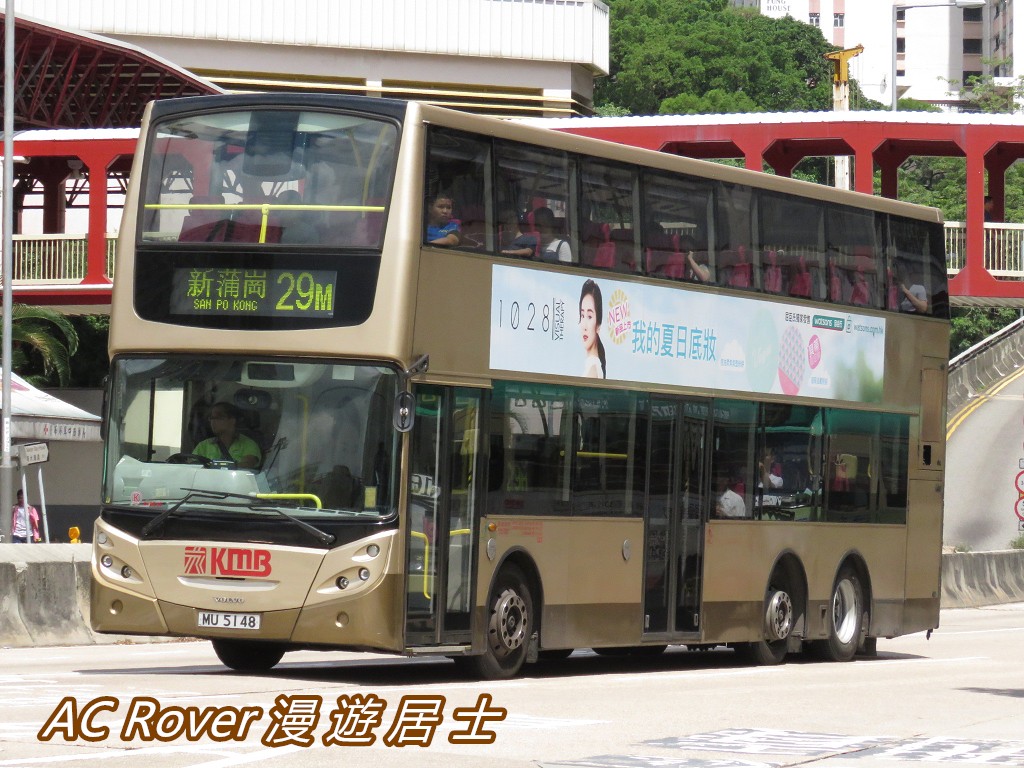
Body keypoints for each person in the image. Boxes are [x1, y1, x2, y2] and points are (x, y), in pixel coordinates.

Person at [194, 402, 262, 469]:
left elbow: (247, 464)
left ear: (232, 420)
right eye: (211, 418)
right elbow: (192, 466)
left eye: (218, 417)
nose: (213, 422)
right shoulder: (203, 445)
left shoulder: (248, 444)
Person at [579, 279, 606, 378]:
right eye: (582, 315)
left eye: (589, 317)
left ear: (598, 326)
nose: (584, 326)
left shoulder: (593, 370)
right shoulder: (592, 366)